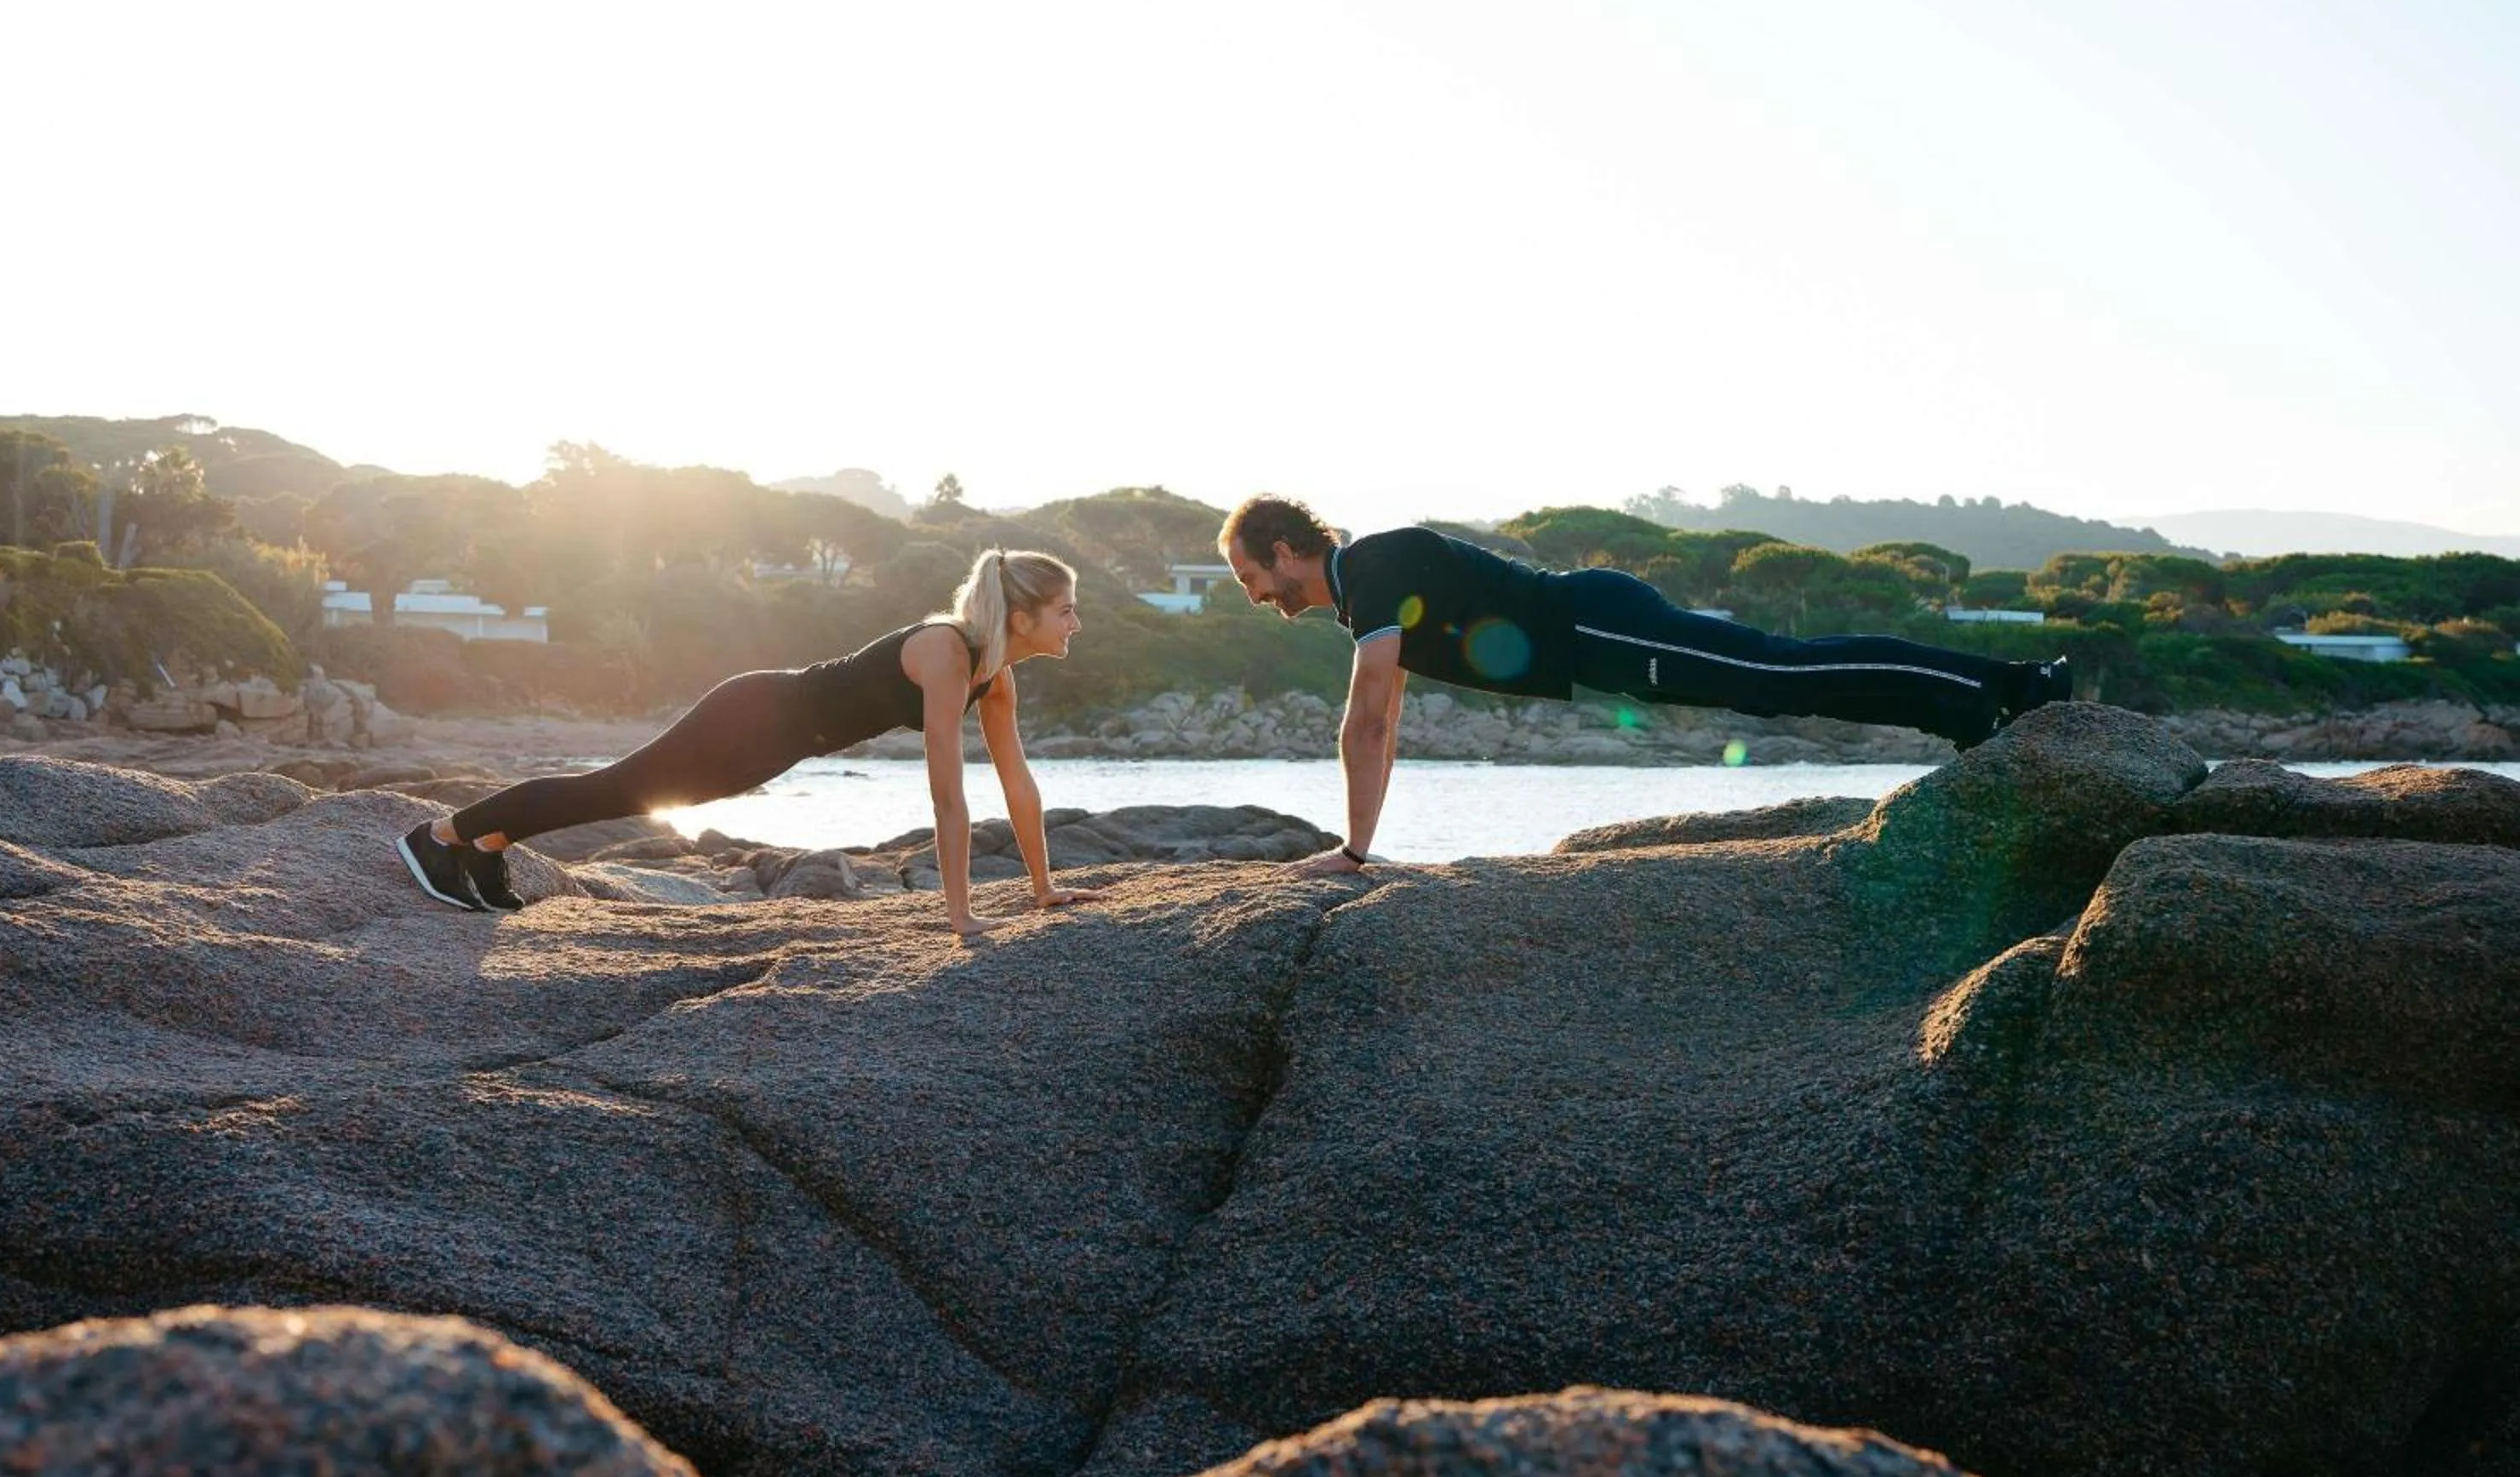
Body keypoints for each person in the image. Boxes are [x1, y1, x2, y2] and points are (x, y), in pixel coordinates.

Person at [1219, 495, 2072, 875]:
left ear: (1285, 549)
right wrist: (1360, 848)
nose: (1253, 597)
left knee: (1781, 666)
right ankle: (1974, 713)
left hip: (1599, 625)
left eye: (1249, 575)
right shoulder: (1365, 600)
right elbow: (1386, 722)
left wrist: (1354, 854)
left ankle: (2012, 685)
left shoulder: (1375, 562)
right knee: (1782, 684)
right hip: (1601, 644)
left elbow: (1365, 721)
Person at [393, 549, 1104, 937]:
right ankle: (442, 834)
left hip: (779, 746)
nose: (1076, 624)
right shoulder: (948, 655)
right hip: (755, 712)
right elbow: (948, 796)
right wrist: (961, 916)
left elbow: (1018, 785)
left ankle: (490, 848)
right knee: (618, 787)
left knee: (627, 793)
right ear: (1020, 615)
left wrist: (1042, 890)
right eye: (1066, 611)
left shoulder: (995, 677)